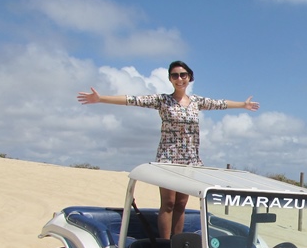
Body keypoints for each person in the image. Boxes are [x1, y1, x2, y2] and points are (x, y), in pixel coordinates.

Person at [77, 61, 259, 238]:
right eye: (175, 75)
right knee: (168, 203)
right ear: (170, 79)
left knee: (181, 204)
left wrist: (243, 105)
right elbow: (132, 100)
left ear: (189, 78)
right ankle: (165, 245)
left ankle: (177, 243)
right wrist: (101, 99)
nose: (179, 78)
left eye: (183, 75)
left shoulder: (196, 102)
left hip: (190, 160)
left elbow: (220, 103)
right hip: (168, 158)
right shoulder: (163, 100)